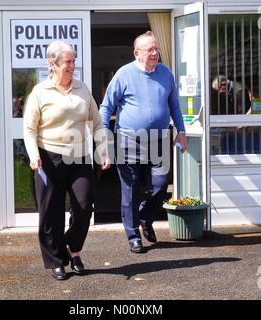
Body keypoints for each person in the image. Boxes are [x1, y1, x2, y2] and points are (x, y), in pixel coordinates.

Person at [23, 40, 110, 280]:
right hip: (49, 156)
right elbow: (29, 129)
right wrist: (34, 156)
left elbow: (97, 121)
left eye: (74, 61)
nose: (73, 66)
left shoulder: (82, 89)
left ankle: (73, 247)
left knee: (84, 205)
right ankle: (57, 260)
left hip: (80, 156)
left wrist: (103, 150)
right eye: (68, 62)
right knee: (51, 212)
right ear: (53, 64)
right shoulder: (40, 92)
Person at [99, 31, 187, 254]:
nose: (155, 53)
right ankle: (133, 235)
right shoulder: (124, 74)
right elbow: (106, 107)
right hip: (128, 140)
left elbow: (174, 105)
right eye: (150, 50)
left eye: (156, 49)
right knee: (130, 189)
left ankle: (145, 217)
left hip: (159, 140)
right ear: (137, 53)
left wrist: (182, 131)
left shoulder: (165, 73)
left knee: (159, 185)